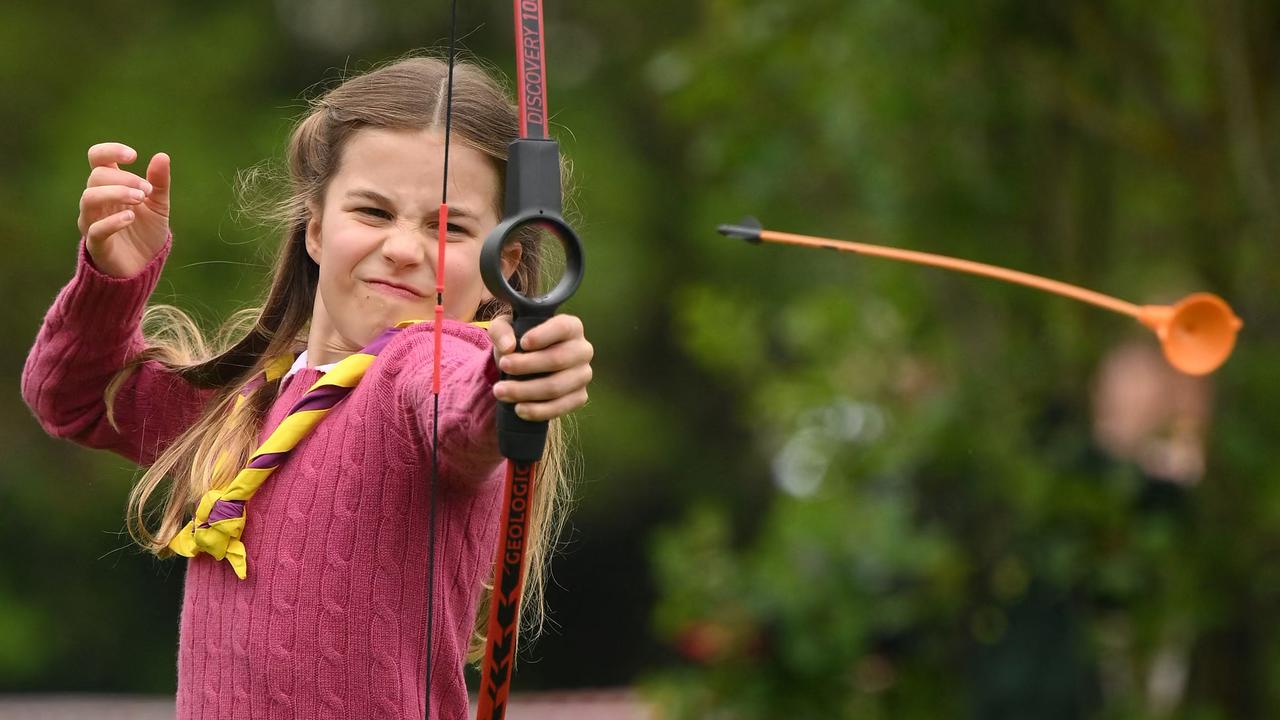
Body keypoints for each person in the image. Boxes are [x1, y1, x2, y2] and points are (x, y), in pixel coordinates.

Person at [20, 56, 593, 719]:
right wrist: (111, 281)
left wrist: (515, 378)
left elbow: (463, 408)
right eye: (373, 211)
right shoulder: (240, 406)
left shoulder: (425, 364)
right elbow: (75, 398)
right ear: (316, 227)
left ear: (504, 265)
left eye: (449, 227)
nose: (405, 248)